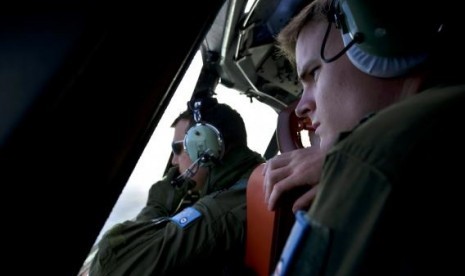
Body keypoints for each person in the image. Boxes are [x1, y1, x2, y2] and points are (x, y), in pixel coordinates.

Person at [262, 0, 465, 275]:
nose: (301, 107)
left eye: (313, 73)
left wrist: (348, 165)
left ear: (379, 51)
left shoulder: (368, 157)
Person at [89, 97, 265, 276]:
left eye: (178, 149)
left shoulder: (222, 210)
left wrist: (157, 206)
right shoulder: (245, 184)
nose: (173, 161)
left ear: (205, 147)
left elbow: (111, 268)